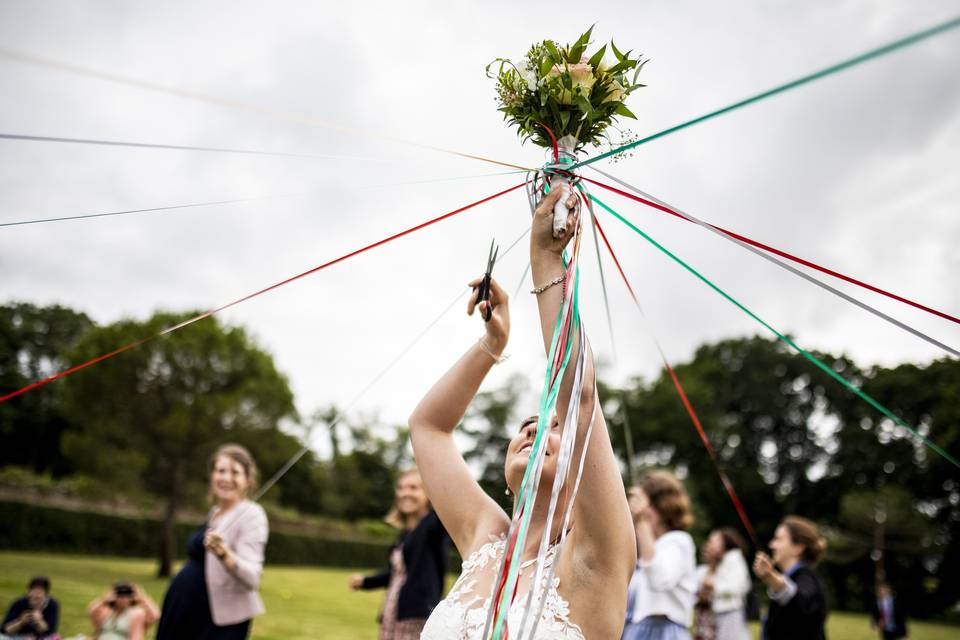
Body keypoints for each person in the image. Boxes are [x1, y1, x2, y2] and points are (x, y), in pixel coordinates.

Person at [413, 187, 637, 639]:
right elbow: (429, 428)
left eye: (554, 428)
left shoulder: (597, 558)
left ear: (584, 470)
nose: (536, 426)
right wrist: (491, 347)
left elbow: (578, 397)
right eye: (527, 426)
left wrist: (546, 258)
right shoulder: (484, 536)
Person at [156, 444, 268, 640]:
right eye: (221, 470)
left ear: (248, 479)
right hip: (185, 610)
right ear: (212, 475)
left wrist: (225, 554)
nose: (226, 478)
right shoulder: (215, 513)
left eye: (235, 472)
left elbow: (253, 578)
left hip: (218, 622)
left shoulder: (252, 514)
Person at [349, 468, 449, 639]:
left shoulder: (433, 525)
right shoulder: (406, 534)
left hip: (416, 614)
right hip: (394, 611)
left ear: (429, 493)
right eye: (401, 488)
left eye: (413, 488)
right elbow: (395, 575)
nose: (405, 493)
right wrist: (365, 582)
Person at [622, 471, 697, 640]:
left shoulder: (679, 541)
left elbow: (660, 579)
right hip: (636, 631)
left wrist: (641, 523)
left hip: (665, 633)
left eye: (642, 502)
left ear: (661, 506)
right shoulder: (650, 547)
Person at [753, 515, 828, 640]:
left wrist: (771, 577)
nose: (771, 545)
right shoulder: (792, 577)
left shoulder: (806, 578)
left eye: (778, 539)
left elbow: (800, 602)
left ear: (797, 548)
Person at [693, 528, 751, 640]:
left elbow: (737, 587)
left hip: (730, 613)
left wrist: (713, 586)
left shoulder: (734, 558)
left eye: (714, 541)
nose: (710, 544)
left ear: (725, 543)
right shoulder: (723, 562)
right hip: (720, 614)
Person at [87, 582, 160, 640]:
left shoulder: (137, 614)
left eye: (127, 596)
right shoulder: (106, 611)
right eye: (120, 596)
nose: (124, 599)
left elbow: (155, 615)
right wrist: (105, 599)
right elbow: (91, 611)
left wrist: (142, 597)